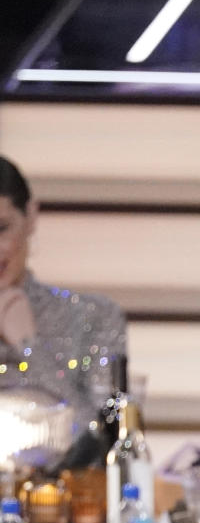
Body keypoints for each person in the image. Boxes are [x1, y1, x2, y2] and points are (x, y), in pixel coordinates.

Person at [0, 155, 126, 436]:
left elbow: (102, 443)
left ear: (30, 217)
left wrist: (29, 347)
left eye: (2, 228)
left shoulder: (93, 318)